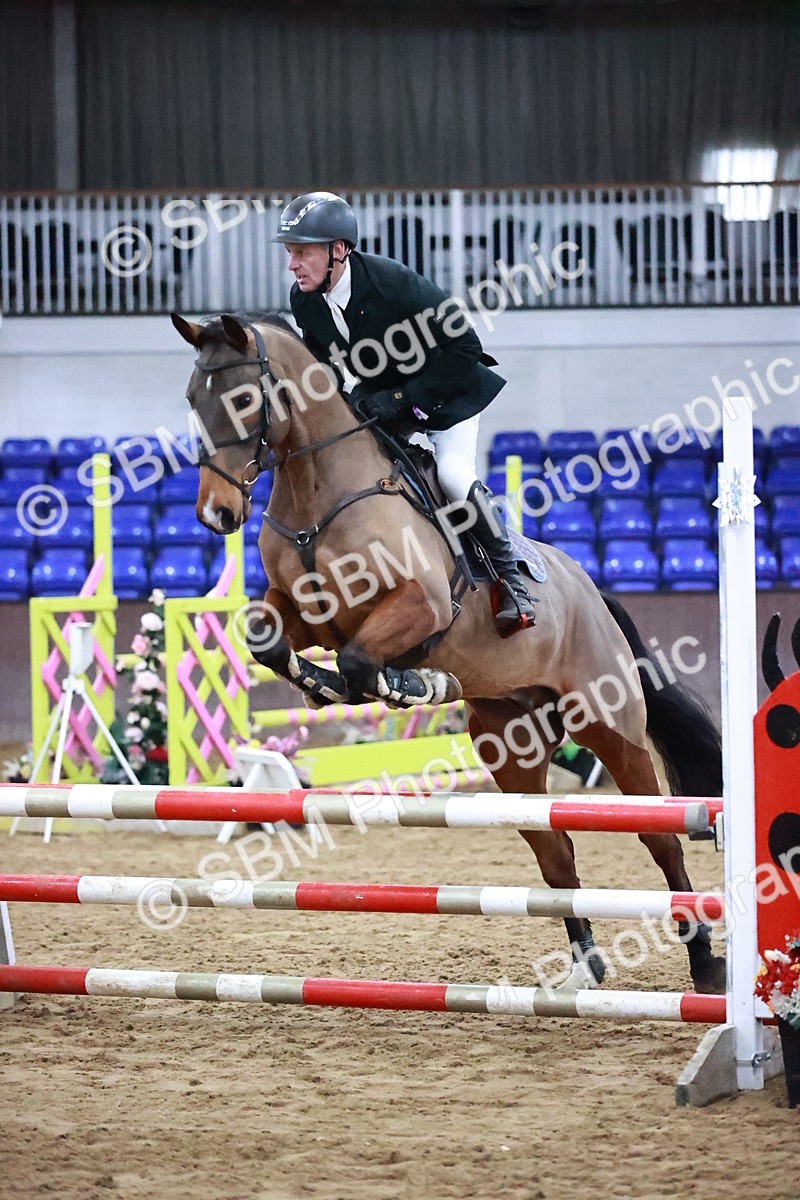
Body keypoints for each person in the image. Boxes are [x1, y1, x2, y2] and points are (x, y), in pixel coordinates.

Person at [274, 190, 535, 631]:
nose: (292, 264)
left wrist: (401, 400)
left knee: (452, 474)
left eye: (302, 252)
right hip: (385, 402)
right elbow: (323, 362)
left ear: (338, 251)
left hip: (447, 394)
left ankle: (512, 581)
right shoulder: (305, 300)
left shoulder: (392, 283)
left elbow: (465, 346)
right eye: (289, 252)